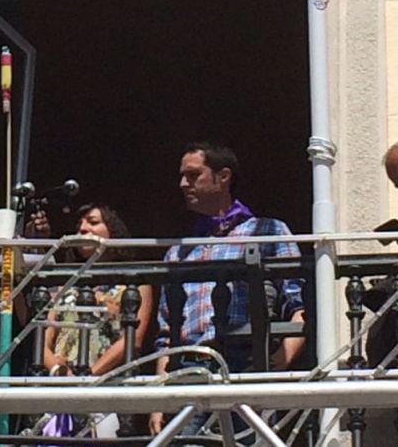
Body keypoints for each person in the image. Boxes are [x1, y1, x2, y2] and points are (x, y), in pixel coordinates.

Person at [148, 142, 305, 438]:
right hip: (188, 368)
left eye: (193, 175)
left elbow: (299, 305)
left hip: (245, 362)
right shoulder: (179, 250)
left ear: (223, 177)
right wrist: (158, 399)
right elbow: (165, 332)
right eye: (182, 176)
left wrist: (280, 361)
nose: (183, 184)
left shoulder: (267, 231)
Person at [43, 203, 153, 438]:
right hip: (62, 385)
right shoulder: (66, 284)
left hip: (111, 384)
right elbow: (44, 339)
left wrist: (91, 375)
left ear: (113, 230)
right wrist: (59, 372)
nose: (82, 228)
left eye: (93, 222)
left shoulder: (135, 283)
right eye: (79, 224)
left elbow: (133, 339)